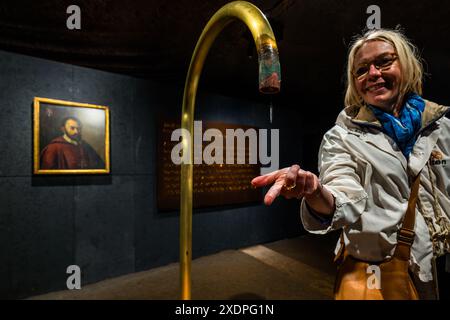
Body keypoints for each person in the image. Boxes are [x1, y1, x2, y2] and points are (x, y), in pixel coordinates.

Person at [252, 28, 450, 300]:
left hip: (439, 263)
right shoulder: (342, 136)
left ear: (406, 64)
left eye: (383, 62)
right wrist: (315, 191)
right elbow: (342, 196)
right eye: (361, 70)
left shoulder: (441, 126)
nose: (373, 74)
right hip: (382, 274)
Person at [40, 116, 105, 169]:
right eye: (72, 128)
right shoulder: (53, 148)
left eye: (78, 128)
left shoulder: (85, 145)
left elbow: (99, 165)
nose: (76, 132)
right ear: (63, 129)